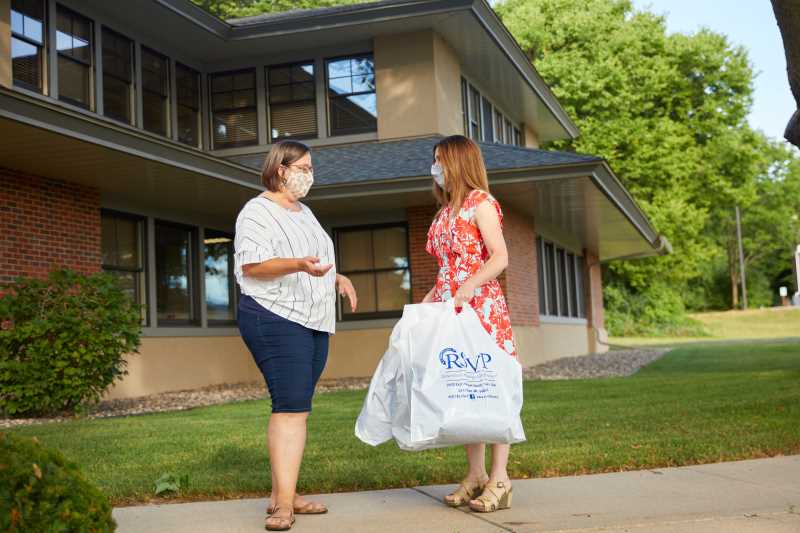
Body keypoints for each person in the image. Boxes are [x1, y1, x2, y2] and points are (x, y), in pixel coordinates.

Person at [234, 140, 357, 531]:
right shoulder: (257, 212)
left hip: (313, 319)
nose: (309, 174)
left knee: (297, 405)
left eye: (310, 167)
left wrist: (335, 275)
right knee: (289, 408)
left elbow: (313, 257)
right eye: (302, 167)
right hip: (274, 316)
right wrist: (299, 266)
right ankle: (284, 507)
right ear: (281, 169)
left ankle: (281, 495)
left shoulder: (306, 213)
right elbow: (253, 266)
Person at [421, 135, 517, 513]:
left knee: (492, 388)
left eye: (441, 161)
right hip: (453, 310)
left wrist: (468, 287)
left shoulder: (482, 204)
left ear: (458, 163)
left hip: (482, 310)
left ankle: (500, 479)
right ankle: (475, 475)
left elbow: (500, 257)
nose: (436, 168)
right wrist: (431, 298)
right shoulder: (445, 212)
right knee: (465, 390)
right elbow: (447, 269)